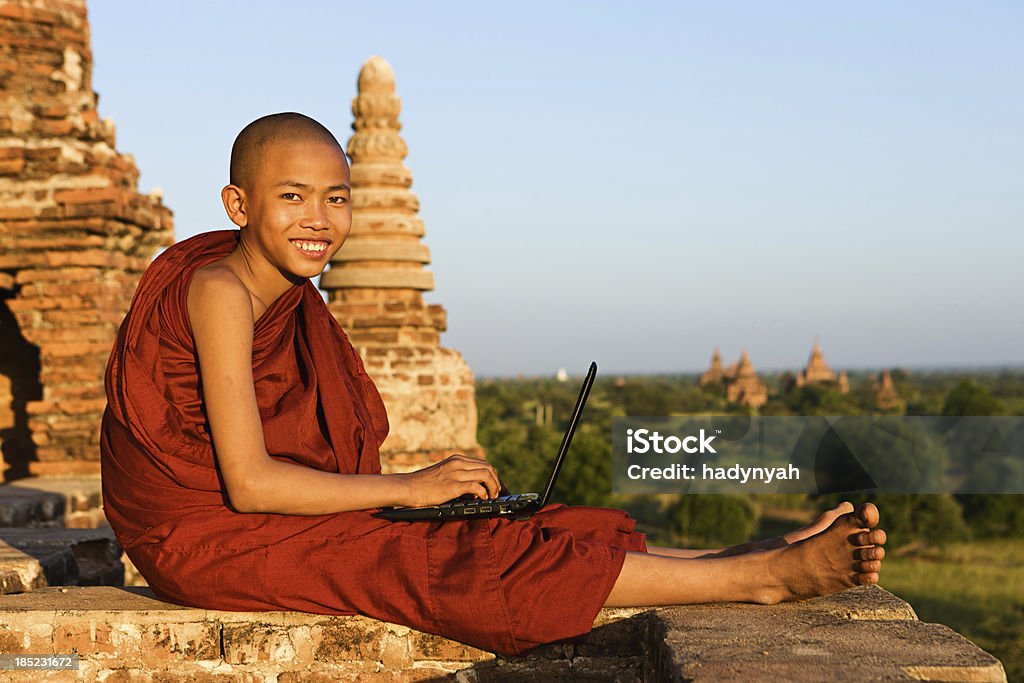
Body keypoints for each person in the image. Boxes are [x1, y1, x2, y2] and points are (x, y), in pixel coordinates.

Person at [100, 112, 885, 657]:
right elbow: (247, 480)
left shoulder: (295, 303)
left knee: (527, 520)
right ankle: (760, 580)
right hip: (208, 537)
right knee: (437, 553)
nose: (321, 219)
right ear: (239, 204)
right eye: (292, 197)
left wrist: (416, 491)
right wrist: (408, 486)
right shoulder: (218, 291)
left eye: (337, 197)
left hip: (258, 515)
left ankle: (736, 553)